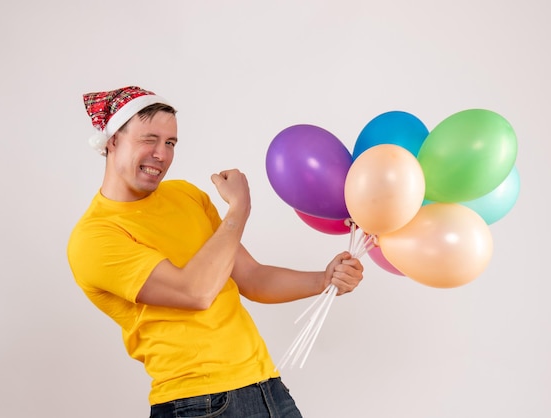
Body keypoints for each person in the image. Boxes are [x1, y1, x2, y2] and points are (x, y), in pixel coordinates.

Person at [67, 86, 364, 417]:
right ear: (113, 141)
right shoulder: (94, 237)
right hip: (198, 402)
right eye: (149, 139)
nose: (161, 154)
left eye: (170, 143)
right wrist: (240, 207)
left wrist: (324, 279)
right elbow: (195, 292)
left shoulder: (186, 196)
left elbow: (251, 278)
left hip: (267, 387)